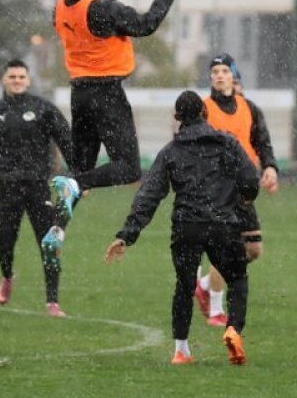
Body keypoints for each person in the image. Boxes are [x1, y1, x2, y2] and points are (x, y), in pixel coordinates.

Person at [105, 91, 260, 366]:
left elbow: (149, 195)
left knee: (184, 287)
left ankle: (181, 350)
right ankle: (233, 329)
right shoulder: (228, 143)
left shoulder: (171, 152)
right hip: (223, 224)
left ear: (177, 117)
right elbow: (250, 178)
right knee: (237, 279)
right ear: (205, 112)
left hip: (187, 226)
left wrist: (126, 234)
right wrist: (245, 196)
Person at [49, 0, 182, 211]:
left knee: (82, 171)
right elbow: (146, 25)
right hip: (106, 94)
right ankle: (74, 182)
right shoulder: (101, 7)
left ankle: (55, 229)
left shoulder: (59, 8)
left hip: (79, 94)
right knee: (128, 168)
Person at [0, 60, 78, 317]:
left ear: (28, 80)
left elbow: (66, 140)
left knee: (49, 243)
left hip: (38, 187)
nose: (16, 80)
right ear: (4, 80)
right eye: (12, 76)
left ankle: (52, 302)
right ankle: (7, 275)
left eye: (21, 76)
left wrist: (82, 176)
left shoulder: (43, 109)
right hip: (8, 188)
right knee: (4, 243)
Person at [193, 53, 277, 327]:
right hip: (216, 190)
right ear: (210, 77)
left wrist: (270, 167)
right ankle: (216, 311)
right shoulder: (203, 109)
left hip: (243, 189)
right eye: (215, 71)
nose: (219, 75)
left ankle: (204, 284)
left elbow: (262, 142)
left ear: (233, 76)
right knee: (226, 247)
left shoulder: (248, 107)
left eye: (224, 71)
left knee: (253, 249)